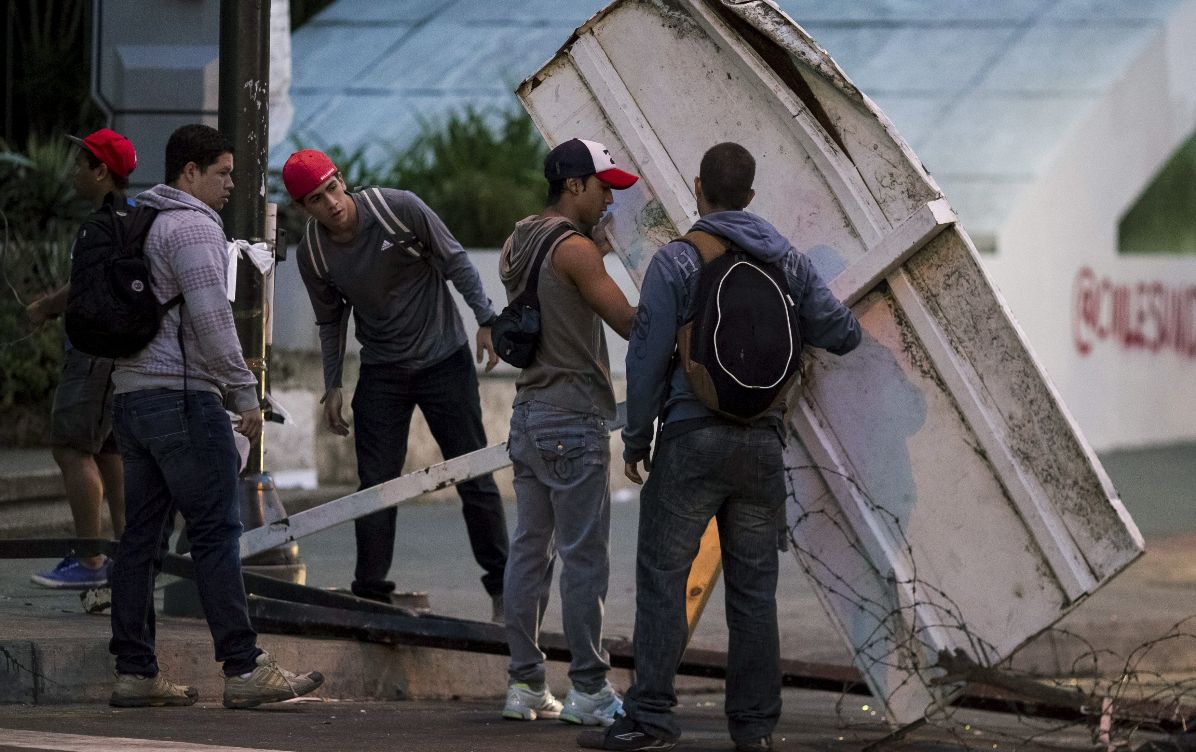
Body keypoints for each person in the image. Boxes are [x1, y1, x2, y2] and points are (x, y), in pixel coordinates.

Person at [583, 142, 862, 752]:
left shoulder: (678, 261)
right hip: (762, 447)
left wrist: (637, 438)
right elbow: (843, 334)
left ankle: (650, 718)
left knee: (663, 577)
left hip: (692, 439)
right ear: (751, 196)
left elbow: (647, 356)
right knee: (754, 594)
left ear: (697, 188)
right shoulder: (789, 263)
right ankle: (754, 731)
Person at [108, 123, 323, 709]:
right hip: (182, 398)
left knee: (141, 538)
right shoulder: (194, 226)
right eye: (223, 173)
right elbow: (211, 319)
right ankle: (244, 667)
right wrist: (245, 393)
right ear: (190, 173)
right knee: (216, 532)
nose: (232, 184)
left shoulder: (141, 219)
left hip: (131, 396)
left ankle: (135, 672)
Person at [283, 149, 509, 619]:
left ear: (342, 180)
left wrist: (486, 319)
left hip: (443, 358)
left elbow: (454, 259)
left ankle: (504, 590)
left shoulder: (396, 208)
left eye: (332, 189)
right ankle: (371, 595)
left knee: (473, 473)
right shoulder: (315, 254)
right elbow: (330, 321)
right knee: (375, 485)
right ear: (303, 208)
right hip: (383, 370)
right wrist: (333, 384)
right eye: (316, 199)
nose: (331, 203)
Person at [498, 139, 638, 725]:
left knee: (530, 552)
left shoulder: (520, 239)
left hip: (528, 414)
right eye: (604, 187)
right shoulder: (576, 251)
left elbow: (552, 291)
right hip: (572, 420)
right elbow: (629, 322)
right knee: (584, 560)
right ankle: (590, 690)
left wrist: (593, 250)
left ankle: (525, 684)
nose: (610, 200)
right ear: (574, 185)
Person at [26, 129, 135, 589]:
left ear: (101, 171)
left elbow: (85, 287)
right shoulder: (133, 217)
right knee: (110, 452)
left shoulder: (99, 226)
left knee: (72, 448)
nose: (73, 172)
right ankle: (130, 560)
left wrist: (45, 307)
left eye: (80, 164)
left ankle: (90, 561)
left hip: (92, 353)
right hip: (122, 355)